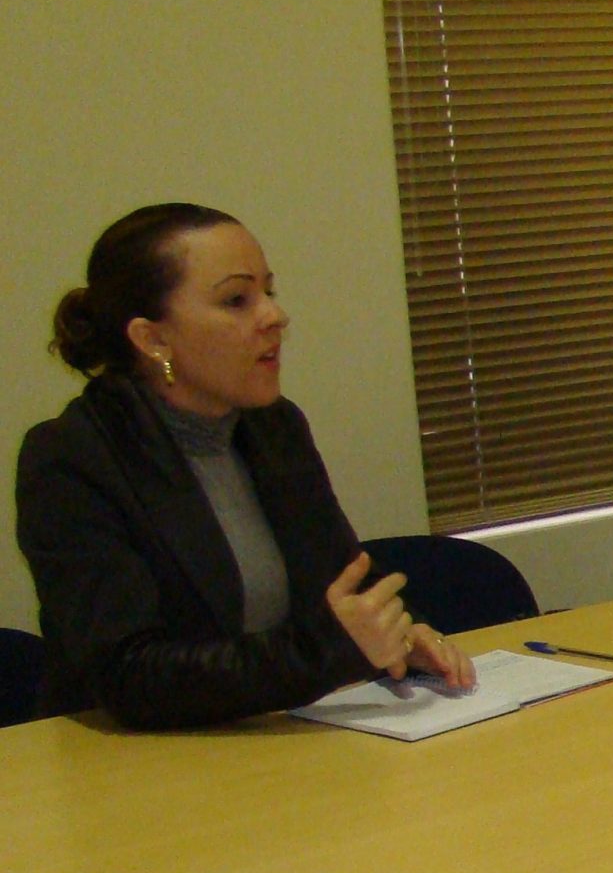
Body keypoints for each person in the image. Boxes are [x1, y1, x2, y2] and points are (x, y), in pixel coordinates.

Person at [17, 204, 473, 730]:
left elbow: (339, 583)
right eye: (237, 300)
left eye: (268, 293)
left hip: (273, 737)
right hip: (132, 766)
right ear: (153, 339)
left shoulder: (273, 427)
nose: (274, 316)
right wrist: (332, 648)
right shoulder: (70, 458)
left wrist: (398, 632)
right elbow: (128, 677)